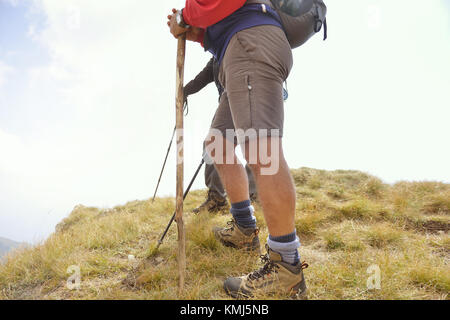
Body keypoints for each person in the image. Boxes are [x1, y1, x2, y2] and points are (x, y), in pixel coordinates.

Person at [167, 0, 308, 299]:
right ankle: (245, 230)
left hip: (250, 45)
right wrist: (195, 34)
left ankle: (286, 267)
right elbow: (217, 21)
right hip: (237, 49)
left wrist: (183, 16)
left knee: (262, 151)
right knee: (217, 144)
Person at [183, 57, 258, 214]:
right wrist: (185, 90)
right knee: (213, 145)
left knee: (254, 145)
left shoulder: (236, 44)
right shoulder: (216, 57)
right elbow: (202, 78)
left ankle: (254, 194)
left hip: (251, 96)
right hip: (227, 103)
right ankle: (217, 198)